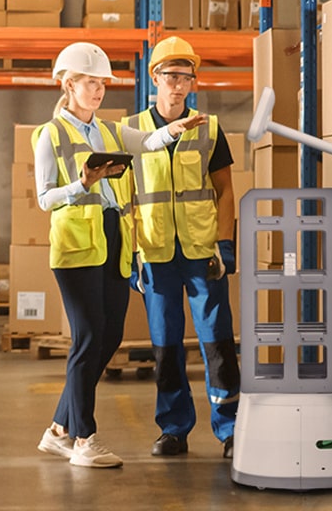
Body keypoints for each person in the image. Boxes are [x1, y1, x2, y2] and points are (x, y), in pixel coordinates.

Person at [32, 42, 206, 469]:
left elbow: (148, 142)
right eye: (90, 83)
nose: (98, 91)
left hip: (113, 241)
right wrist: (83, 183)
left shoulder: (109, 131)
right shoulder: (50, 134)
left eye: (102, 83)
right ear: (68, 85)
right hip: (75, 248)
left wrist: (177, 128)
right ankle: (84, 439)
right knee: (89, 336)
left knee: (109, 337)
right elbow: (43, 198)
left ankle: (58, 430)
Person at [122, 36, 240, 459]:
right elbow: (127, 197)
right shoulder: (131, 130)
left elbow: (225, 190)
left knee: (217, 343)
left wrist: (225, 244)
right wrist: (131, 254)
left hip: (202, 252)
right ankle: (173, 428)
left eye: (185, 77)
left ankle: (230, 429)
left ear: (194, 82)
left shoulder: (208, 128)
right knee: (166, 345)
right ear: (154, 77)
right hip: (155, 254)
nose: (178, 84)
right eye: (170, 76)